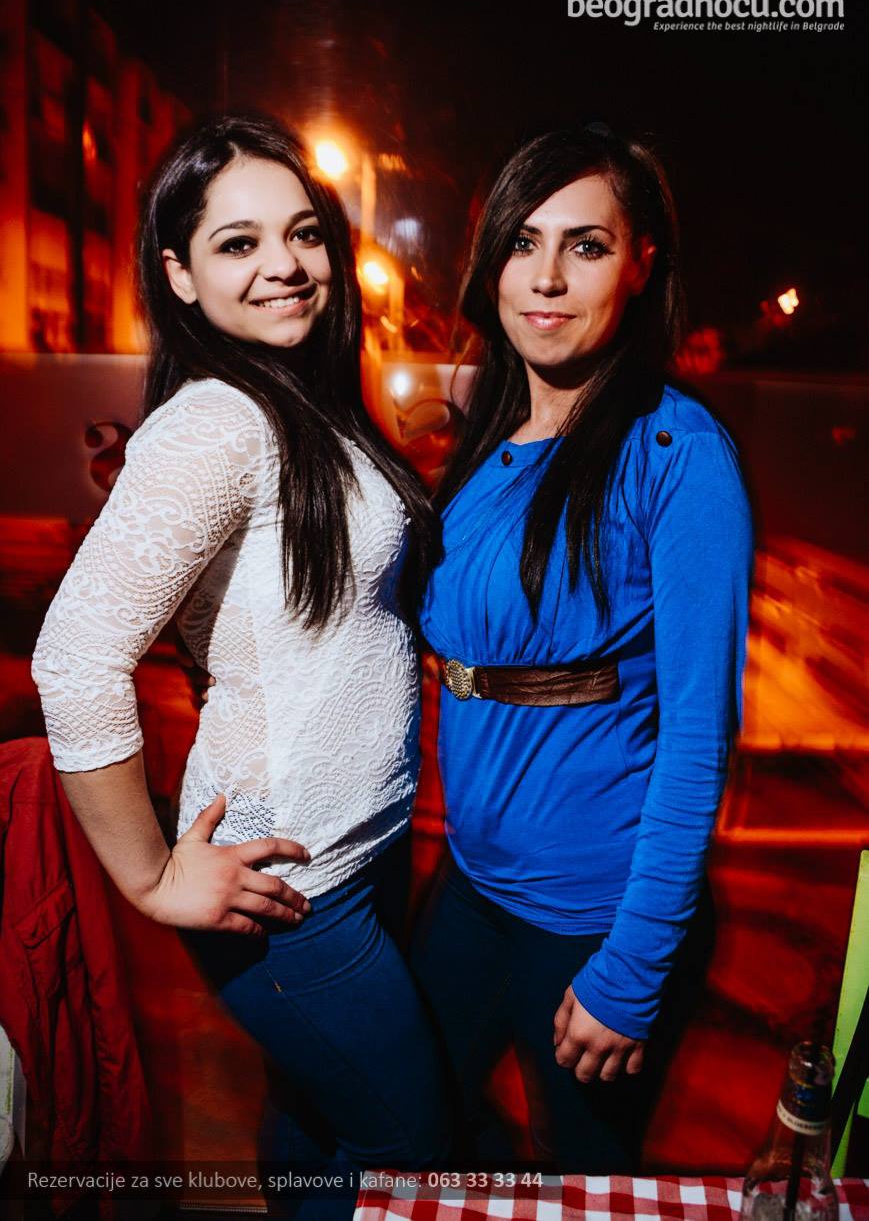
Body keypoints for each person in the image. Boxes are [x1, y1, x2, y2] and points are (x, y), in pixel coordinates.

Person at [31, 114, 449, 1214]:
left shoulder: (299, 397)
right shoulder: (215, 423)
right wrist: (151, 878)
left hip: (353, 846)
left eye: (302, 234)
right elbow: (73, 660)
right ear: (178, 275)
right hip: (288, 884)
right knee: (412, 1145)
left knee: (317, 1128)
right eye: (237, 243)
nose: (285, 265)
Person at [411, 125, 753, 1171]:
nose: (546, 277)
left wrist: (633, 965)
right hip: (470, 882)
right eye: (523, 242)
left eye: (585, 246)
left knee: (580, 1182)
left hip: (593, 912)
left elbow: (697, 735)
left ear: (639, 263)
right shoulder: (485, 435)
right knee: (403, 1123)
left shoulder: (674, 452)